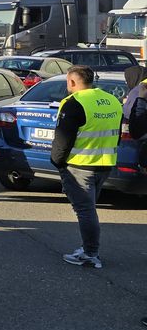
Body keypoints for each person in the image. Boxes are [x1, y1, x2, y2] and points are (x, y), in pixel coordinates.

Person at [51, 65, 121, 269]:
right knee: (89, 209)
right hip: (105, 164)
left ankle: (90, 254)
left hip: (80, 166)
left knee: (85, 211)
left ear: (72, 82)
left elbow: (63, 140)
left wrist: (57, 162)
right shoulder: (111, 100)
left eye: (67, 81)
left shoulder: (74, 103)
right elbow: (115, 134)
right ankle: (88, 249)